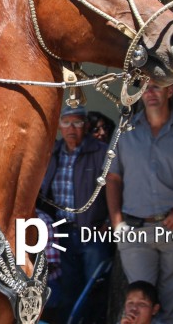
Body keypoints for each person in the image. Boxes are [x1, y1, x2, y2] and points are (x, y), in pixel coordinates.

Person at [106, 84, 173, 324]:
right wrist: (117, 224)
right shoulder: (125, 130)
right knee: (139, 302)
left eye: (157, 88)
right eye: (145, 88)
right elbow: (112, 178)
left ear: (171, 91)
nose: (151, 93)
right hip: (134, 229)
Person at [38, 105, 111, 323]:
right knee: (68, 290)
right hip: (62, 233)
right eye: (66, 122)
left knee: (95, 289)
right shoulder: (53, 154)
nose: (72, 128)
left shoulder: (101, 152)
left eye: (78, 122)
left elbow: (116, 188)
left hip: (94, 232)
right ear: (59, 126)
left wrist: (108, 222)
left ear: (86, 126)